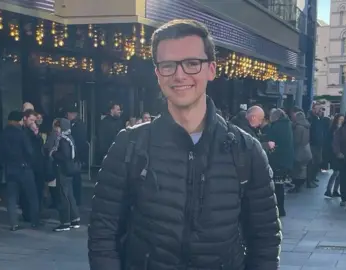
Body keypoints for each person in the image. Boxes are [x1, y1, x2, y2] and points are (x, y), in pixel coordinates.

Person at [88, 19, 281, 270]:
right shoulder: (130, 145)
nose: (180, 75)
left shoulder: (246, 151)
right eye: (168, 65)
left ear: (211, 69)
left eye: (192, 63)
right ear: (158, 74)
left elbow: (265, 241)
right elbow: (103, 232)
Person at [0, 111, 40, 231]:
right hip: (24, 168)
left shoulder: (3, 133)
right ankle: (35, 221)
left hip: (10, 169)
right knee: (32, 196)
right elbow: (29, 151)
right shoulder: (21, 134)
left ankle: (13, 223)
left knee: (11, 197)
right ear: (19, 120)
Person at [50, 118, 81, 232]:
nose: (55, 130)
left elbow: (64, 156)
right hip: (70, 170)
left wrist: (54, 153)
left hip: (63, 170)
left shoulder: (62, 140)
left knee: (63, 195)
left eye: (57, 127)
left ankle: (65, 222)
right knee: (70, 195)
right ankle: (74, 219)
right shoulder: (70, 138)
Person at [266, 108, 294, 217]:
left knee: (276, 187)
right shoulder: (287, 125)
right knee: (280, 186)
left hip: (277, 160)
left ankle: (278, 209)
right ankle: (281, 209)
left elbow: (271, 143)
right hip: (286, 160)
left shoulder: (275, 127)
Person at [290, 111, 312, 193]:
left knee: (297, 169)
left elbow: (296, 140)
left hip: (299, 150)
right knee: (303, 168)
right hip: (306, 149)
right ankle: (300, 185)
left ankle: (297, 186)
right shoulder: (306, 126)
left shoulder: (298, 127)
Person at [324, 114, 344, 198]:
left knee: (339, 173)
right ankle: (328, 190)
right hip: (334, 154)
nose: (341, 121)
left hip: (341, 153)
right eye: (340, 119)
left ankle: (335, 190)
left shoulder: (342, 129)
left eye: (342, 119)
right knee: (336, 172)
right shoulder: (333, 130)